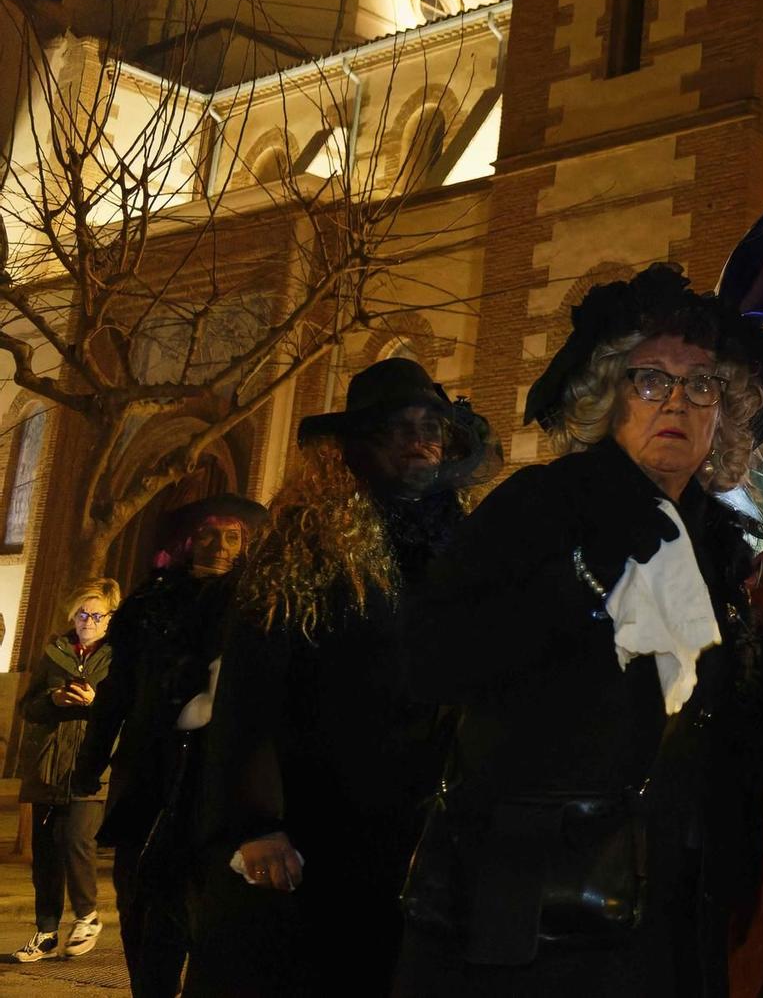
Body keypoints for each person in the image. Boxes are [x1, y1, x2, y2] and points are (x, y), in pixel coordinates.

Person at [393, 263, 763, 995]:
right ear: (610, 396)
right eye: (651, 379)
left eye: (701, 383)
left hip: (671, 913)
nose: (677, 400)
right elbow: (428, 660)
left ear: (724, 414)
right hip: (533, 914)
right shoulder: (543, 505)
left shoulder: (721, 545)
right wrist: (580, 581)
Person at [184, 359, 496, 996]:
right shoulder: (305, 543)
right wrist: (255, 822)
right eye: (397, 427)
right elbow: (251, 687)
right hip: (315, 833)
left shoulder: (452, 543)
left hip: (414, 832)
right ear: (354, 447)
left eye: (431, 425)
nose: (419, 439)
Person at [74, 494, 266, 996]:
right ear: (189, 540)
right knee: (141, 899)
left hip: (216, 778)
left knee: (205, 911)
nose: (219, 546)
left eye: (231, 537)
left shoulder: (258, 604)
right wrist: (90, 759)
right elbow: (118, 689)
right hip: (148, 774)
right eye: (208, 534)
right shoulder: (148, 604)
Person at [13, 578, 122, 963]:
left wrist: (97, 702)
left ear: (110, 619)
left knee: (77, 840)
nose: (87, 621)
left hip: (91, 767)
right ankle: (46, 931)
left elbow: (131, 713)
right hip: (48, 765)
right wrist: (54, 698)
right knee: (45, 852)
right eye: (81, 613)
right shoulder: (54, 653)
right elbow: (27, 707)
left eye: (96, 614)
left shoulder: (120, 656)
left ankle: (88, 916)